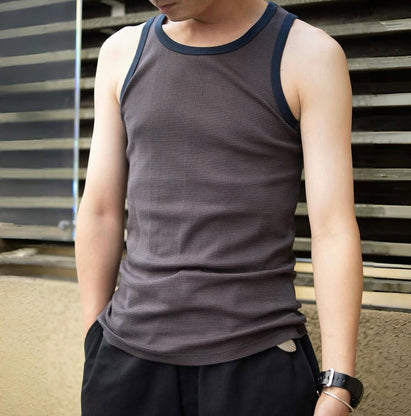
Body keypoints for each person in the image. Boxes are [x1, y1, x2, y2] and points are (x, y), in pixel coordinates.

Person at [75, 0, 364, 415]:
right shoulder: (121, 52)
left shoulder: (308, 54)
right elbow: (101, 209)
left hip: (258, 361)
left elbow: (333, 229)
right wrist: (94, 342)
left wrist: (338, 387)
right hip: (125, 360)